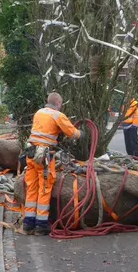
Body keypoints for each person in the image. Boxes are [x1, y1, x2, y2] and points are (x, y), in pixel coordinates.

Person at [23, 92, 83, 235]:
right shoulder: (57, 115)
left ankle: (28, 223)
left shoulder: (39, 112)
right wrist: (81, 133)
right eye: (60, 104)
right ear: (57, 103)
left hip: (31, 153)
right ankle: (41, 225)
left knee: (32, 187)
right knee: (44, 188)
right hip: (44, 156)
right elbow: (72, 133)